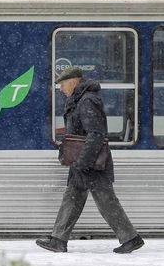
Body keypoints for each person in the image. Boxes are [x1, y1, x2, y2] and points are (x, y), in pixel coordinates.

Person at [36, 66, 144, 254]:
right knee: (73, 198)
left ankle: (131, 238)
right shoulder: (79, 99)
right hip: (83, 160)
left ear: (73, 82)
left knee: (105, 201)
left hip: (91, 163)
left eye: (62, 84)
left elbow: (96, 134)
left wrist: (83, 161)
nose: (61, 88)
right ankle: (58, 239)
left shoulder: (87, 101)